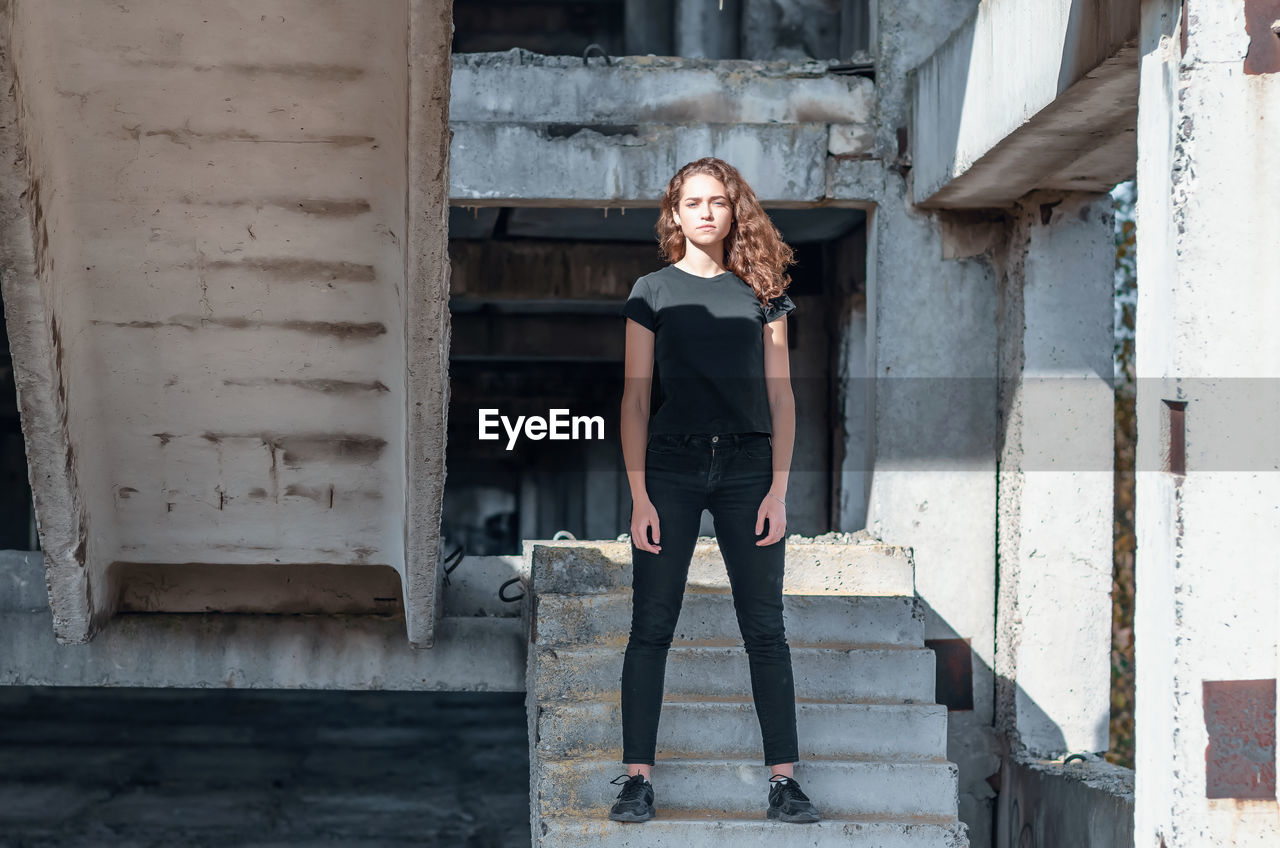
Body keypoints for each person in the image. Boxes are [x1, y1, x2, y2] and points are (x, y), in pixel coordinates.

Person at [609, 157, 820, 825]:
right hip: (669, 467)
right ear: (674, 215)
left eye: (717, 201)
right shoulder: (651, 291)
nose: (705, 212)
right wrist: (640, 495)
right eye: (692, 202)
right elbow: (635, 400)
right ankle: (638, 780)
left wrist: (779, 490)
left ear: (735, 212)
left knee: (765, 628)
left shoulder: (763, 292)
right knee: (651, 626)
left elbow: (783, 399)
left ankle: (785, 783)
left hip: (748, 471)